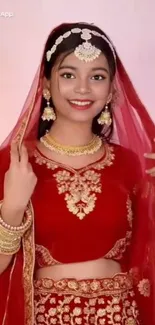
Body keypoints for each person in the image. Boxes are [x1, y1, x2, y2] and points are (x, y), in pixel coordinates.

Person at [0, 22, 155, 325]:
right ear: (46, 85)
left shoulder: (132, 164)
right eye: (68, 75)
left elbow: (146, 258)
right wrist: (13, 207)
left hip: (120, 315)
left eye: (97, 77)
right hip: (46, 318)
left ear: (111, 90)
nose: (83, 88)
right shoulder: (14, 162)